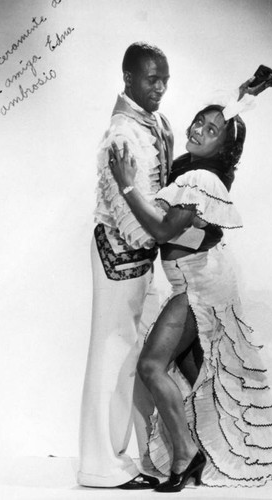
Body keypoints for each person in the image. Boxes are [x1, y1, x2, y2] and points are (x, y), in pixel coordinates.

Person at [108, 100, 272, 492]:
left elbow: (160, 230)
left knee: (152, 366)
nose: (198, 130)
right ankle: (203, 449)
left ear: (223, 149)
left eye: (211, 131)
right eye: (199, 122)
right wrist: (244, 93)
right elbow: (198, 233)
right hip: (200, 276)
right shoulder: (194, 172)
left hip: (196, 285)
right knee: (199, 374)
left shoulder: (202, 179)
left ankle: (185, 455)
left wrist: (125, 183)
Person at [77, 42, 174, 490]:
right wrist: (160, 235)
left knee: (127, 355)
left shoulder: (150, 123)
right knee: (112, 354)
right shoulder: (122, 132)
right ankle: (99, 466)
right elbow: (128, 216)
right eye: (152, 79)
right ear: (129, 78)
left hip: (134, 257)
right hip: (120, 253)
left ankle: (114, 460)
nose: (160, 88)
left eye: (165, 80)